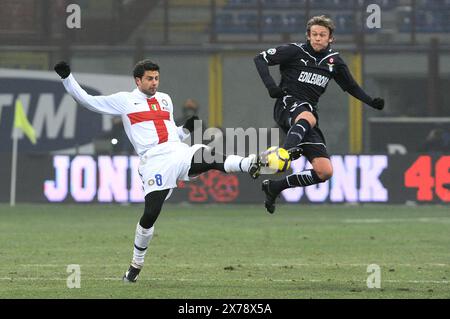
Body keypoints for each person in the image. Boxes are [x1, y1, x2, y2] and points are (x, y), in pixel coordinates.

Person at [54, 59, 262, 282]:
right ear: (138, 80)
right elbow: (88, 101)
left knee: (209, 156)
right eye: (149, 79)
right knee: (151, 214)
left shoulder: (165, 100)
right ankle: (135, 265)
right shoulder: (125, 101)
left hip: (177, 151)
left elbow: (171, 134)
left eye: (157, 78)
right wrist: (67, 78)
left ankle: (249, 164)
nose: (154, 83)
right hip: (153, 161)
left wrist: (184, 130)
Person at [253, 15, 385, 214]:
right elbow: (260, 59)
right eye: (314, 34)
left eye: (322, 35)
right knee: (307, 117)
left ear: (330, 38)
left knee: (325, 171)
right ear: (308, 35)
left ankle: (274, 187)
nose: (317, 38)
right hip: (287, 104)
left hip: (307, 116)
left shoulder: (333, 62)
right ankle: (285, 153)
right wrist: (271, 87)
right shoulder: (294, 51)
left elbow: (350, 86)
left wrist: (371, 101)